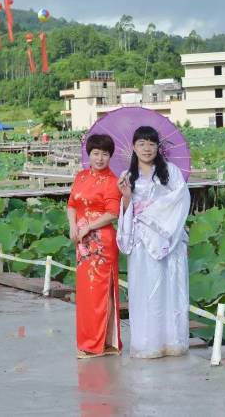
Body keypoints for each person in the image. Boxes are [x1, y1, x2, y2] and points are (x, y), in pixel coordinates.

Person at [117, 126, 191, 359]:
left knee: (170, 289)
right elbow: (127, 210)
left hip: (169, 239)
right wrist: (127, 197)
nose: (146, 148)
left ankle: (172, 341)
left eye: (151, 144)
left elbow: (180, 200)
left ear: (158, 147)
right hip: (142, 242)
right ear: (134, 147)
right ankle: (148, 343)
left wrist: (151, 213)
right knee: (145, 291)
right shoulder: (128, 177)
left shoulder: (172, 172)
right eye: (141, 144)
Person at [67, 134, 122, 359]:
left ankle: (99, 344)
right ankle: (89, 341)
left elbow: (113, 213)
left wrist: (89, 226)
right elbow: (71, 204)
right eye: (96, 153)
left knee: (100, 292)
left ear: (110, 156)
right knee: (86, 294)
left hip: (101, 243)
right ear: (89, 154)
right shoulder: (81, 176)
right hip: (81, 242)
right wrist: (72, 226)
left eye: (105, 154)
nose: (100, 158)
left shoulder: (112, 181)